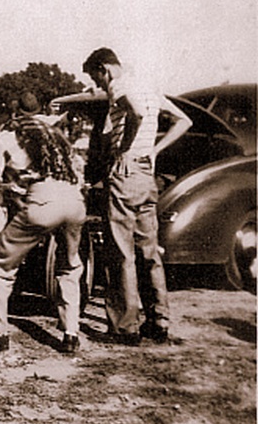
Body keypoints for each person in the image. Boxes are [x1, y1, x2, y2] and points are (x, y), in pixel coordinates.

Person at [82, 47, 192, 345]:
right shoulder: (147, 84)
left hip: (125, 172)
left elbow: (137, 113)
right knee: (149, 251)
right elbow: (184, 120)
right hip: (145, 173)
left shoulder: (120, 85)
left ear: (105, 69)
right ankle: (159, 320)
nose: (100, 85)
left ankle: (124, 326)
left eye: (98, 78)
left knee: (120, 252)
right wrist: (153, 150)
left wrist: (125, 149)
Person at [0, 92, 87, 353]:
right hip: (74, 201)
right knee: (70, 266)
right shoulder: (57, 136)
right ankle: (71, 332)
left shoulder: (4, 139)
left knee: (1, 264)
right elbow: (77, 172)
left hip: (41, 205)